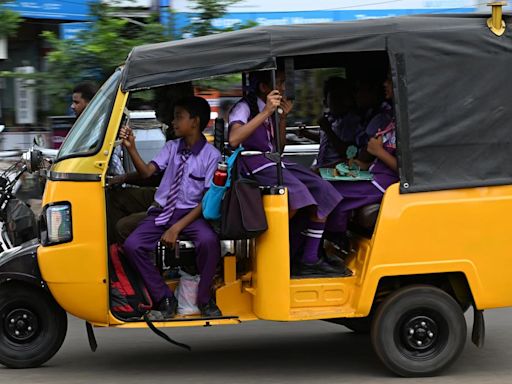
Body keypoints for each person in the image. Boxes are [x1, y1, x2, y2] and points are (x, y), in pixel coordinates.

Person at [228, 71, 346, 277]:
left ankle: (309, 257)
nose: (283, 88)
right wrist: (266, 112)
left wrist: (282, 118)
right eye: (280, 83)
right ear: (265, 87)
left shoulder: (272, 109)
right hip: (252, 162)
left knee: (323, 189)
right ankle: (283, 253)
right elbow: (234, 139)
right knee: (297, 194)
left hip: (273, 160)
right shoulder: (244, 107)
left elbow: (279, 149)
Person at [122, 96, 222, 319]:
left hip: (192, 215)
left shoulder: (211, 156)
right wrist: (132, 148)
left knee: (209, 242)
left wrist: (176, 228)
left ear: (194, 122)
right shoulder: (171, 147)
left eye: (179, 117)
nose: (173, 123)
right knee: (133, 245)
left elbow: (205, 201)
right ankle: (164, 297)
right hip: (163, 211)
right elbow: (148, 172)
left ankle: (204, 298)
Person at [109, 83, 195, 243]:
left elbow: (149, 174)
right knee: (115, 197)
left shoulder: (187, 140)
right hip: (166, 196)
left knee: (123, 227)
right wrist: (125, 178)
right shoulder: (173, 134)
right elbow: (159, 174)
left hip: (176, 204)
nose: (155, 106)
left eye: (160, 101)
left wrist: (131, 150)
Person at [326, 74, 399, 235]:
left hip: (384, 184)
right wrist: (362, 166)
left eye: (390, 79)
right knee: (323, 181)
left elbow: (409, 171)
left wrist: (378, 151)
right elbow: (373, 159)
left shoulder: (406, 122)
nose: (385, 83)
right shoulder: (393, 120)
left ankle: (318, 249)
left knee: (326, 191)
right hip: (372, 175)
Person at [314, 77, 361, 169]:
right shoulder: (331, 119)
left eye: (341, 98)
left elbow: (348, 153)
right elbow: (326, 140)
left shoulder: (351, 122)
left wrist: (328, 130)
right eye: (334, 98)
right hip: (322, 166)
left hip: (338, 170)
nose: (338, 102)